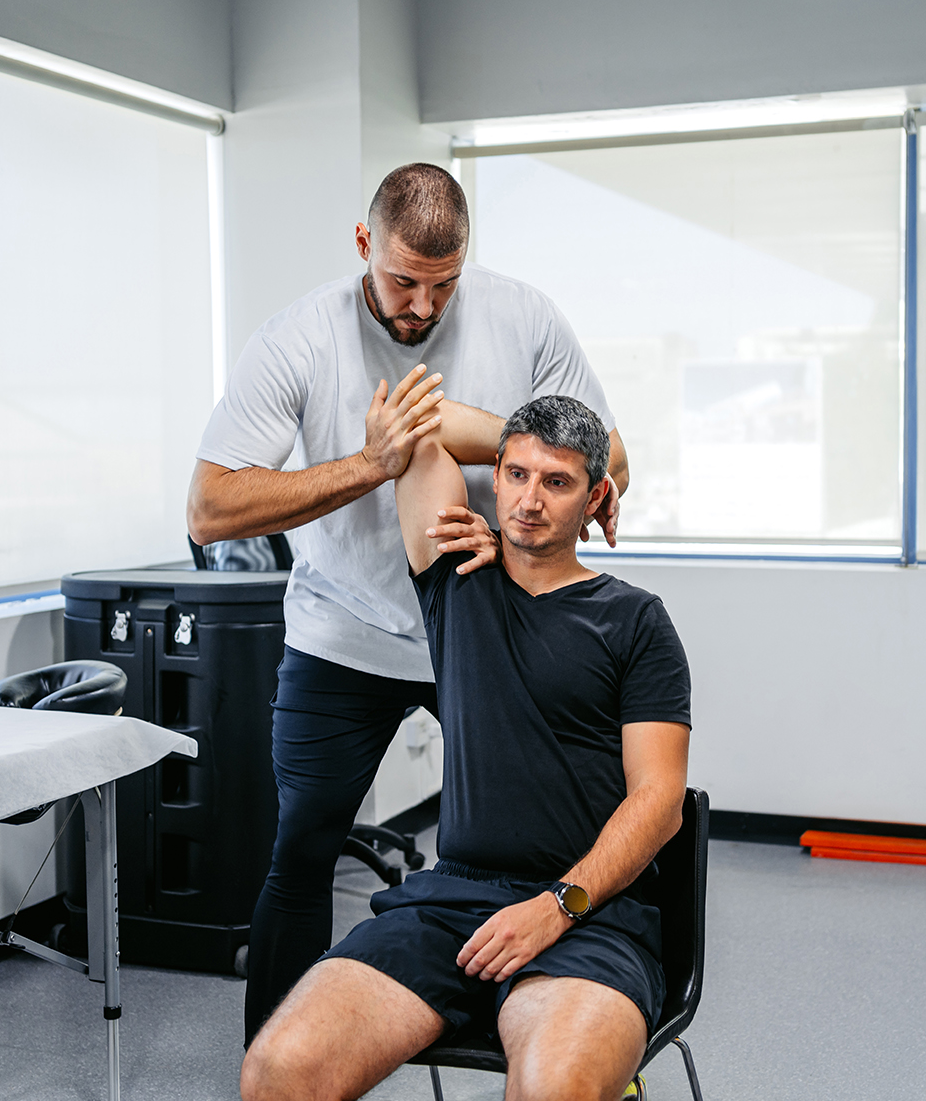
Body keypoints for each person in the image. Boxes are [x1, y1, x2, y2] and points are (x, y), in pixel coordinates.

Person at [187, 163, 633, 1040]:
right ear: (364, 242)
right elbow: (209, 509)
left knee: (550, 843)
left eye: (444, 284)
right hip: (342, 632)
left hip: (484, 625)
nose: (422, 307)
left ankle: (574, 1034)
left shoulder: (524, 317)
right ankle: (276, 1071)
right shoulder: (299, 340)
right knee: (302, 847)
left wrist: (520, 477)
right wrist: (371, 465)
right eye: (402, 281)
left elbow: (610, 457)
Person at [239, 395, 692, 1101]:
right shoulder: (458, 578)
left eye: (558, 482)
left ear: (597, 497)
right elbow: (420, 427)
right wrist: (510, 462)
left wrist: (557, 906)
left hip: (589, 913)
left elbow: (660, 801)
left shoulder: (635, 620)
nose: (529, 501)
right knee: (278, 1072)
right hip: (450, 903)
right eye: (516, 474)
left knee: (555, 1091)